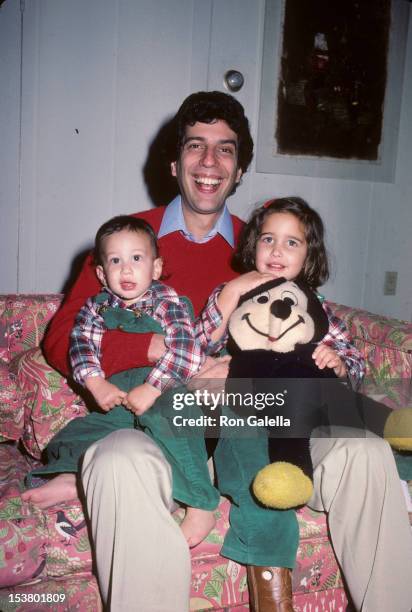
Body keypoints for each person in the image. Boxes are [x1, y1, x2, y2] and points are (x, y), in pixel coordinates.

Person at [23, 92, 412, 612]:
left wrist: (257, 367)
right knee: (117, 460)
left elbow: (314, 332)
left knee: (363, 451)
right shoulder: (128, 241)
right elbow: (61, 336)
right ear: (173, 161)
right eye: (195, 147)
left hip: (268, 418)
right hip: (170, 420)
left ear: (240, 168)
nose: (209, 162)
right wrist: (164, 349)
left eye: (225, 150)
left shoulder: (262, 248)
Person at [26, 214, 221, 547]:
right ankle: (74, 474)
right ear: (101, 273)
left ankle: (201, 503)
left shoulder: (167, 303)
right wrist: (96, 383)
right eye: (115, 261)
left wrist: (154, 386)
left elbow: (187, 349)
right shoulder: (95, 308)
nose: (126, 270)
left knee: (173, 420)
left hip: (167, 390)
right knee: (78, 433)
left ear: (156, 268)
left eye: (136, 259)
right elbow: (81, 344)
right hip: (120, 393)